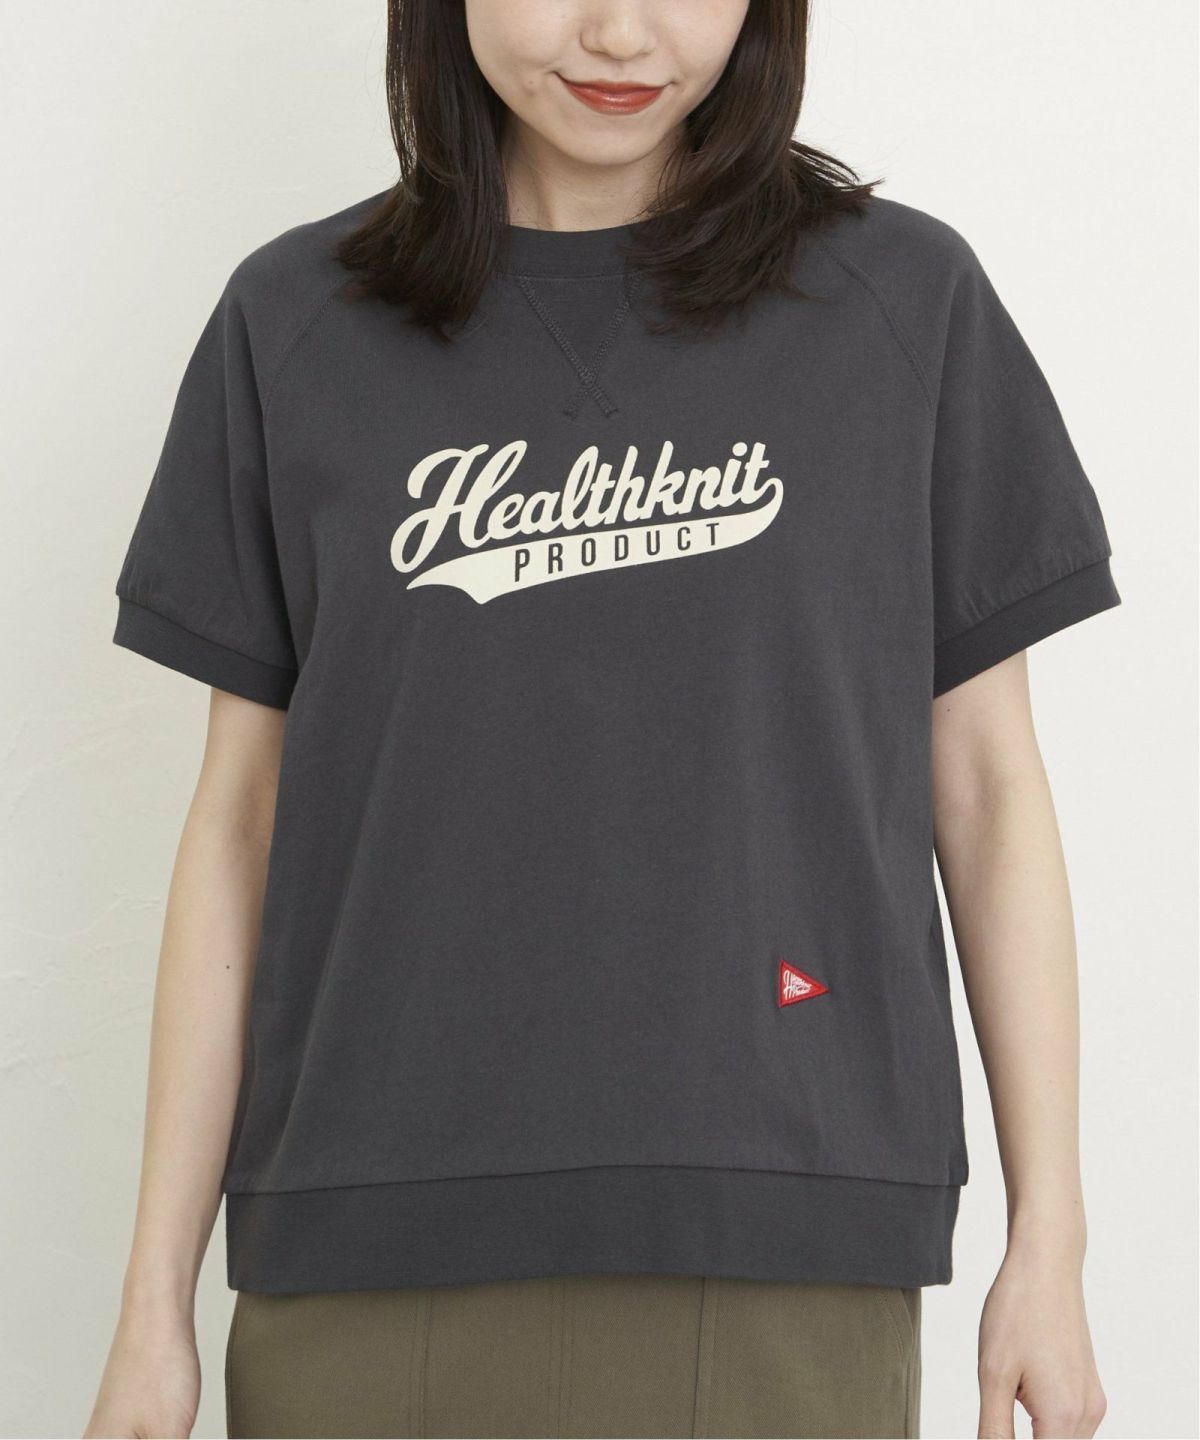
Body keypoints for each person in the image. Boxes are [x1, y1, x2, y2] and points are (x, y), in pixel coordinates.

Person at [84, 0, 1120, 1436]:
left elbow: (990, 793)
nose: (621, 32)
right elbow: (240, 827)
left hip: (780, 1230)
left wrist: (1049, 1243)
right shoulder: (294, 320)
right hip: (363, 1236)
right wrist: (152, 1299)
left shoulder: (903, 303)